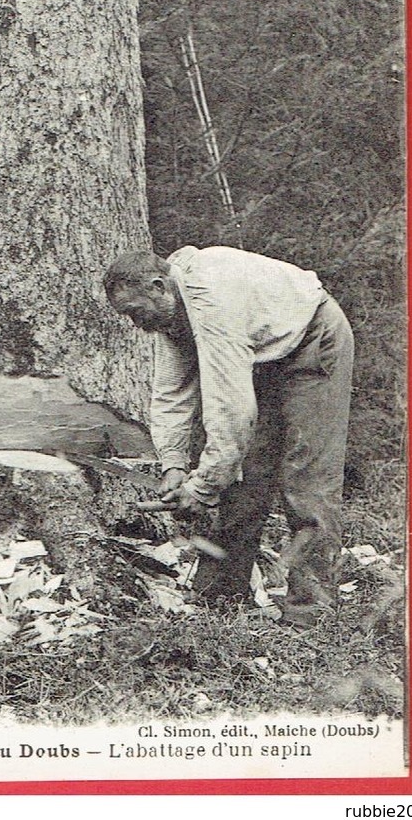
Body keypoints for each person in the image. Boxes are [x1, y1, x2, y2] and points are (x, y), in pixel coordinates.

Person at [103, 245, 354, 626]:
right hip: (265, 352)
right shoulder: (171, 310)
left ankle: (310, 612)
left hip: (313, 340)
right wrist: (173, 466)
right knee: (242, 477)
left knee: (307, 477)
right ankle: (219, 599)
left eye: (136, 313)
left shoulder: (211, 302)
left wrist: (202, 488)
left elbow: (231, 411)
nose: (137, 325)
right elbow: (171, 394)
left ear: (158, 286)